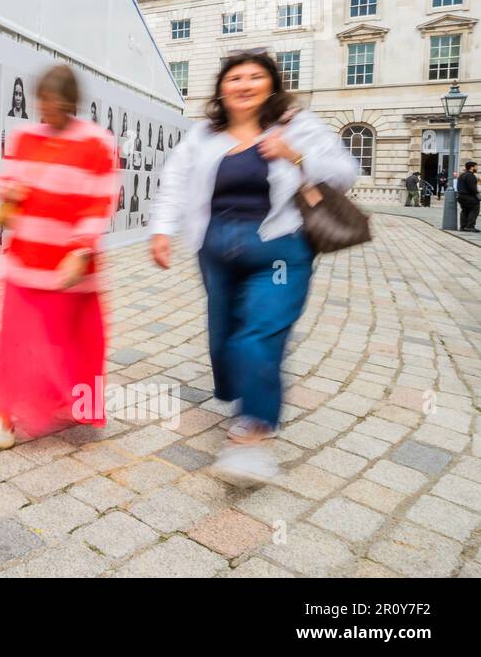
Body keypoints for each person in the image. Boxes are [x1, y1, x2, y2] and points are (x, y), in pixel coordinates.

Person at [150, 51, 359, 484]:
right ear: (221, 89)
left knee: (259, 333)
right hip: (215, 251)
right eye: (235, 77)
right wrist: (162, 230)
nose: (244, 84)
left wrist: (295, 156)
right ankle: (240, 389)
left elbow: (344, 172)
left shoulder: (298, 126)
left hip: (280, 252)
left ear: (271, 85)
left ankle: (254, 432)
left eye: (255, 77)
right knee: (224, 338)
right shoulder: (203, 136)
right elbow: (175, 180)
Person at [0, 64, 116, 460]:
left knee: (74, 344)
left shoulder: (97, 142)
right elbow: (9, 196)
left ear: (73, 102)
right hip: (25, 265)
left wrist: (80, 251)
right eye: (42, 103)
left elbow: (98, 202)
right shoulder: (23, 137)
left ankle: (73, 403)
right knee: (16, 346)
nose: (48, 111)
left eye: (57, 103)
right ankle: (2, 422)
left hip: (69, 271)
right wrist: (3, 207)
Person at [3, 76, 29, 153]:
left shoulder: (25, 116)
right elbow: (6, 143)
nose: (17, 98)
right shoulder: (10, 114)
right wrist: (3, 139)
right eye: (16, 94)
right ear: (13, 95)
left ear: (22, 96)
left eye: (20, 94)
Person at [458, 160, 479, 232]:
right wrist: (477, 195)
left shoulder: (462, 175)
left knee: (465, 210)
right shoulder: (470, 176)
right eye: (476, 167)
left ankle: (463, 227)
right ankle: (470, 226)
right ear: (471, 167)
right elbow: (472, 188)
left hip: (461, 196)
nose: (477, 168)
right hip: (468, 196)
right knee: (475, 208)